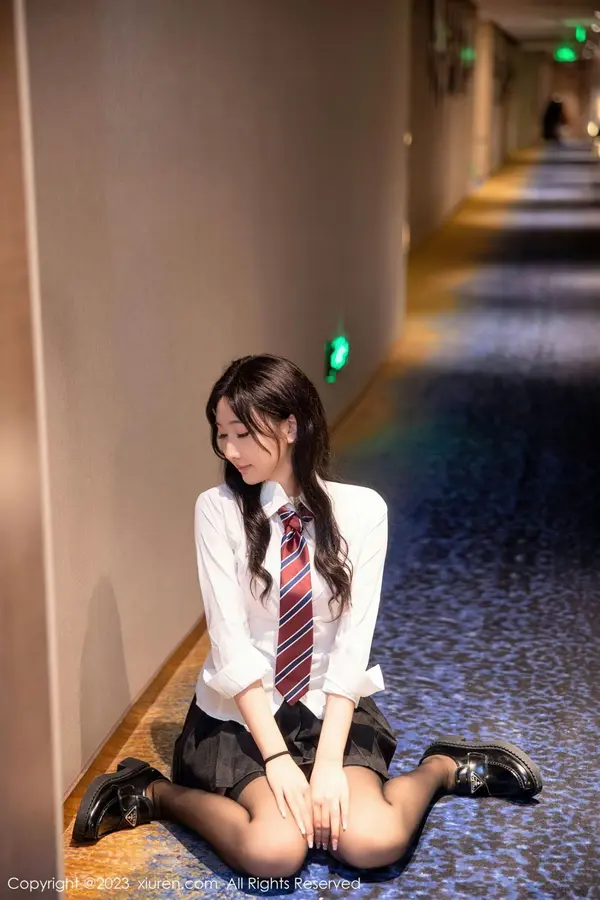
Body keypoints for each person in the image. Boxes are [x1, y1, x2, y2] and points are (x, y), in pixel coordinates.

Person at [72, 354, 543, 877]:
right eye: (221, 435)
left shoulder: (362, 511)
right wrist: (277, 759)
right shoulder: (218, 509)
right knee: (274, 853)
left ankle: (441, 768)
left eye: (243, 434)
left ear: (291, 427)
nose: (230, 450)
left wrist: (328, 765)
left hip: (327, 708)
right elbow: (230, 644)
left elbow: (352, 646)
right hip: (242, 719)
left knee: (374, 842)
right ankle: (155, 793)